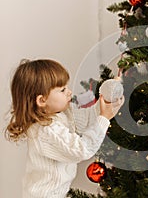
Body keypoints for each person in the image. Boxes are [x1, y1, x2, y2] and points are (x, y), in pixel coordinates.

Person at [5, 59, 124, 198]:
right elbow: (82, 150)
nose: (69, 92)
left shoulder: (63, 113)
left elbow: (88, 118)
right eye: (62, 90)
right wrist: (104, 119)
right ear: (42, 100)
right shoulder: (45, 130)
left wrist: (109, 96)